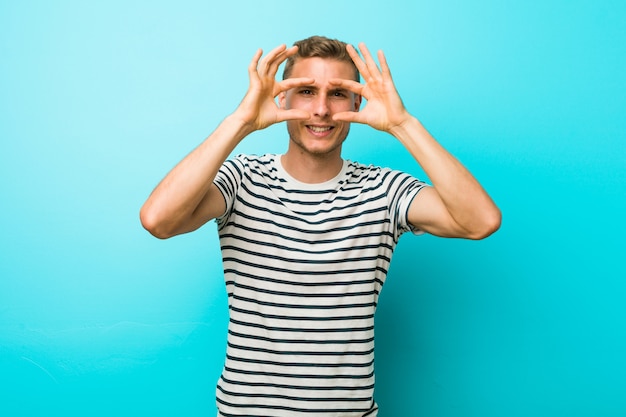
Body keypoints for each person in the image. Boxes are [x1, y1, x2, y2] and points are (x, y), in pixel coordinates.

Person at [140, 35, 501, 417]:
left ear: (358, 102)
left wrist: (402, 123)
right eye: (307, 91)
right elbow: (158, 220)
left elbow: (481, 221)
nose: (322, 110)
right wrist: (240, 122)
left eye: (339, 93)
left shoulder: (384, 189)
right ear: (282, 98)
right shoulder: (242, 177)